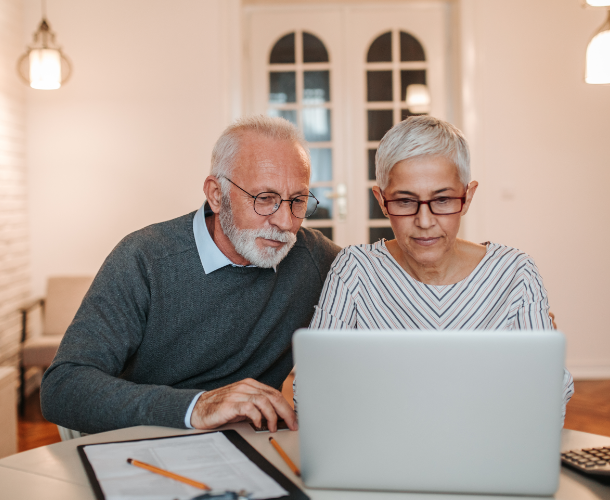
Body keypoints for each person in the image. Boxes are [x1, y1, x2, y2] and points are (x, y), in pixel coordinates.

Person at [41, 115, 340, 434]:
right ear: (215, 194)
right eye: (264, 199)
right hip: (139, 435)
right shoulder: (145, 258)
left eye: (297, 201)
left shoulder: (313, 256)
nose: (284, 221)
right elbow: (63, 388)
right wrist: (196, 406)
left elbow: (379, 269)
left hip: (246, 443)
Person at [303, 116, 574, 420]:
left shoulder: (515, 273)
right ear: (381, 200)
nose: (425, 221)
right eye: (405, 201)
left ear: (467, 197)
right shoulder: (354, 269)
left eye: (442, 199)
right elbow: (313, 390)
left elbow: (547, 399)